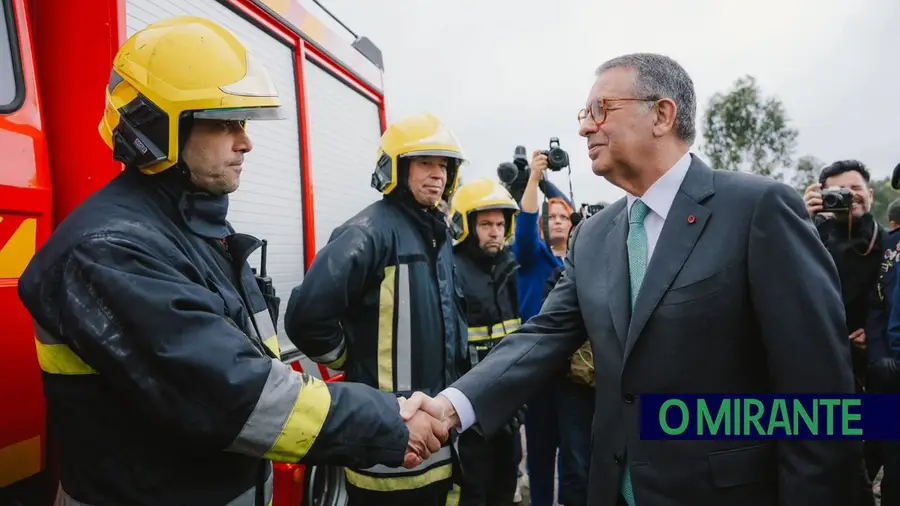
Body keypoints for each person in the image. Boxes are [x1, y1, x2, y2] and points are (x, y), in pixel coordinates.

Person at [15, 17, 446, 506]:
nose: (246, 142)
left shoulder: (193, 231)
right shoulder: (109, 250)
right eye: (225, 123)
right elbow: (235, 393)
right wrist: (387, 420)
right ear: (159, 126)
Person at [407, 52, 861, 505]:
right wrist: (449, 407)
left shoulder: (757, 210)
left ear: (662, 115)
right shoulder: (594, 236)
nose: (585, 127)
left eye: (600, 110)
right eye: (584, 115)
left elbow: (820, 391)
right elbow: (542, 337)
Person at [283, 113, 470, 506]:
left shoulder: (439, 236)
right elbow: (306, 318)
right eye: (424, 163)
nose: (437, 174)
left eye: (443, 165)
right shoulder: (368, 232)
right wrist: (350, 356)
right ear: (396, 169)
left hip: (436, 439)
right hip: (387, 444)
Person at [447, 178, 523, 505]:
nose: (494, 231)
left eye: (499, 224)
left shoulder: (510, 267)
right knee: (472, 487)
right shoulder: (450, 270)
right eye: (485, 224)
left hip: (508, 406)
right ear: (465, 224)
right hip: (468, 410)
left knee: (507, 477)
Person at [510, 155, 574, 506]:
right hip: (537, 372)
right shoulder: (533, 258)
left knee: (573, 452)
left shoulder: (582, 260)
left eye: (565, 218)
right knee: (538, 451)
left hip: (573, 375)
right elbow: (526, 221)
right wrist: (535, 177)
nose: (559, 222)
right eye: (553, 218)